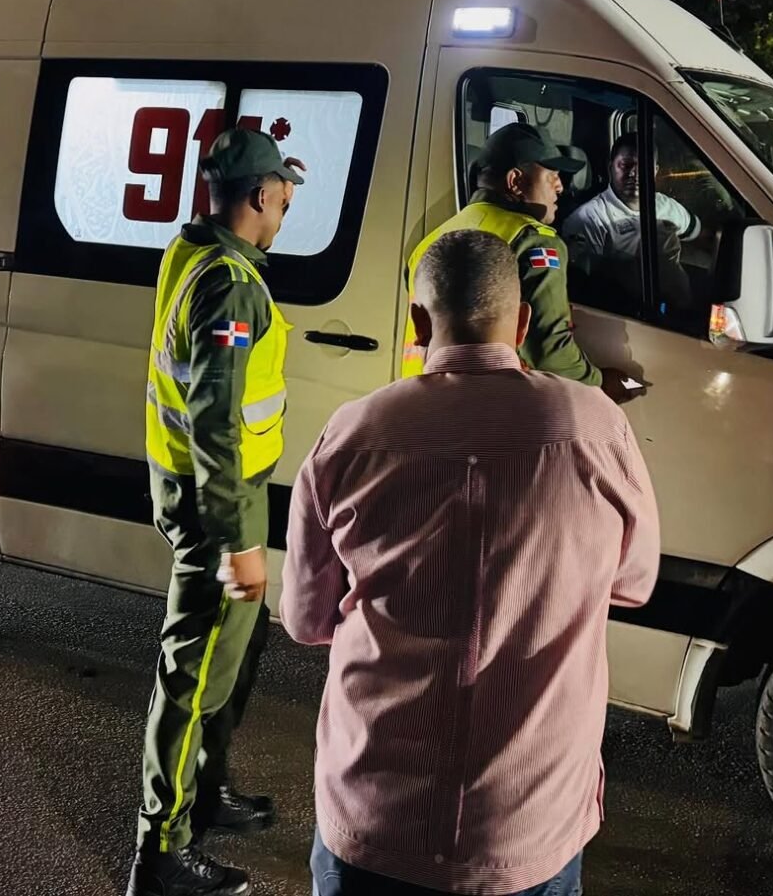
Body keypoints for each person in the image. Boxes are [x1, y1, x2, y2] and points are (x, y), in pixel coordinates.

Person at [282, 229, 660, 896]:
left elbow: (306, 619)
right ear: (522, 322)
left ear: (418, 321)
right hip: (528, 830)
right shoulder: (596, 429)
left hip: (373, 823)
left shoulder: (351, 434)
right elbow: (635, 583)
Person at [128, 128, 306, 896]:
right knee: (195, 673)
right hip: (216, 503)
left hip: (207, 490)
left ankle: (205, 791)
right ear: (260, 194)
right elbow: (214, 417)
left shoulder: (191, 248)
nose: (287, 206)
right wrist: (237, 538)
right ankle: (161, 852)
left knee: (231, 652)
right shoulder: (229, 284)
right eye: (283, 195)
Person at [402, 121, 631, 400]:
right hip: (493, 408)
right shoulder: (533, 242)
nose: (560, 187)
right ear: (515, 181)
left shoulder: (430, 241)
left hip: (422, 403)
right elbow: (546, 351)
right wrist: (600, 383)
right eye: (551, 175)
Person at [562, 132, 700, 308]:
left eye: (644, 166)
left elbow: (699, 234)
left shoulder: (667, 206)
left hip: (679, 308)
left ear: (655, 171)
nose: (634, 174)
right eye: (625, 165)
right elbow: (585, 287)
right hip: (628, 311)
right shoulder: (589, 219)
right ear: (610, 167)